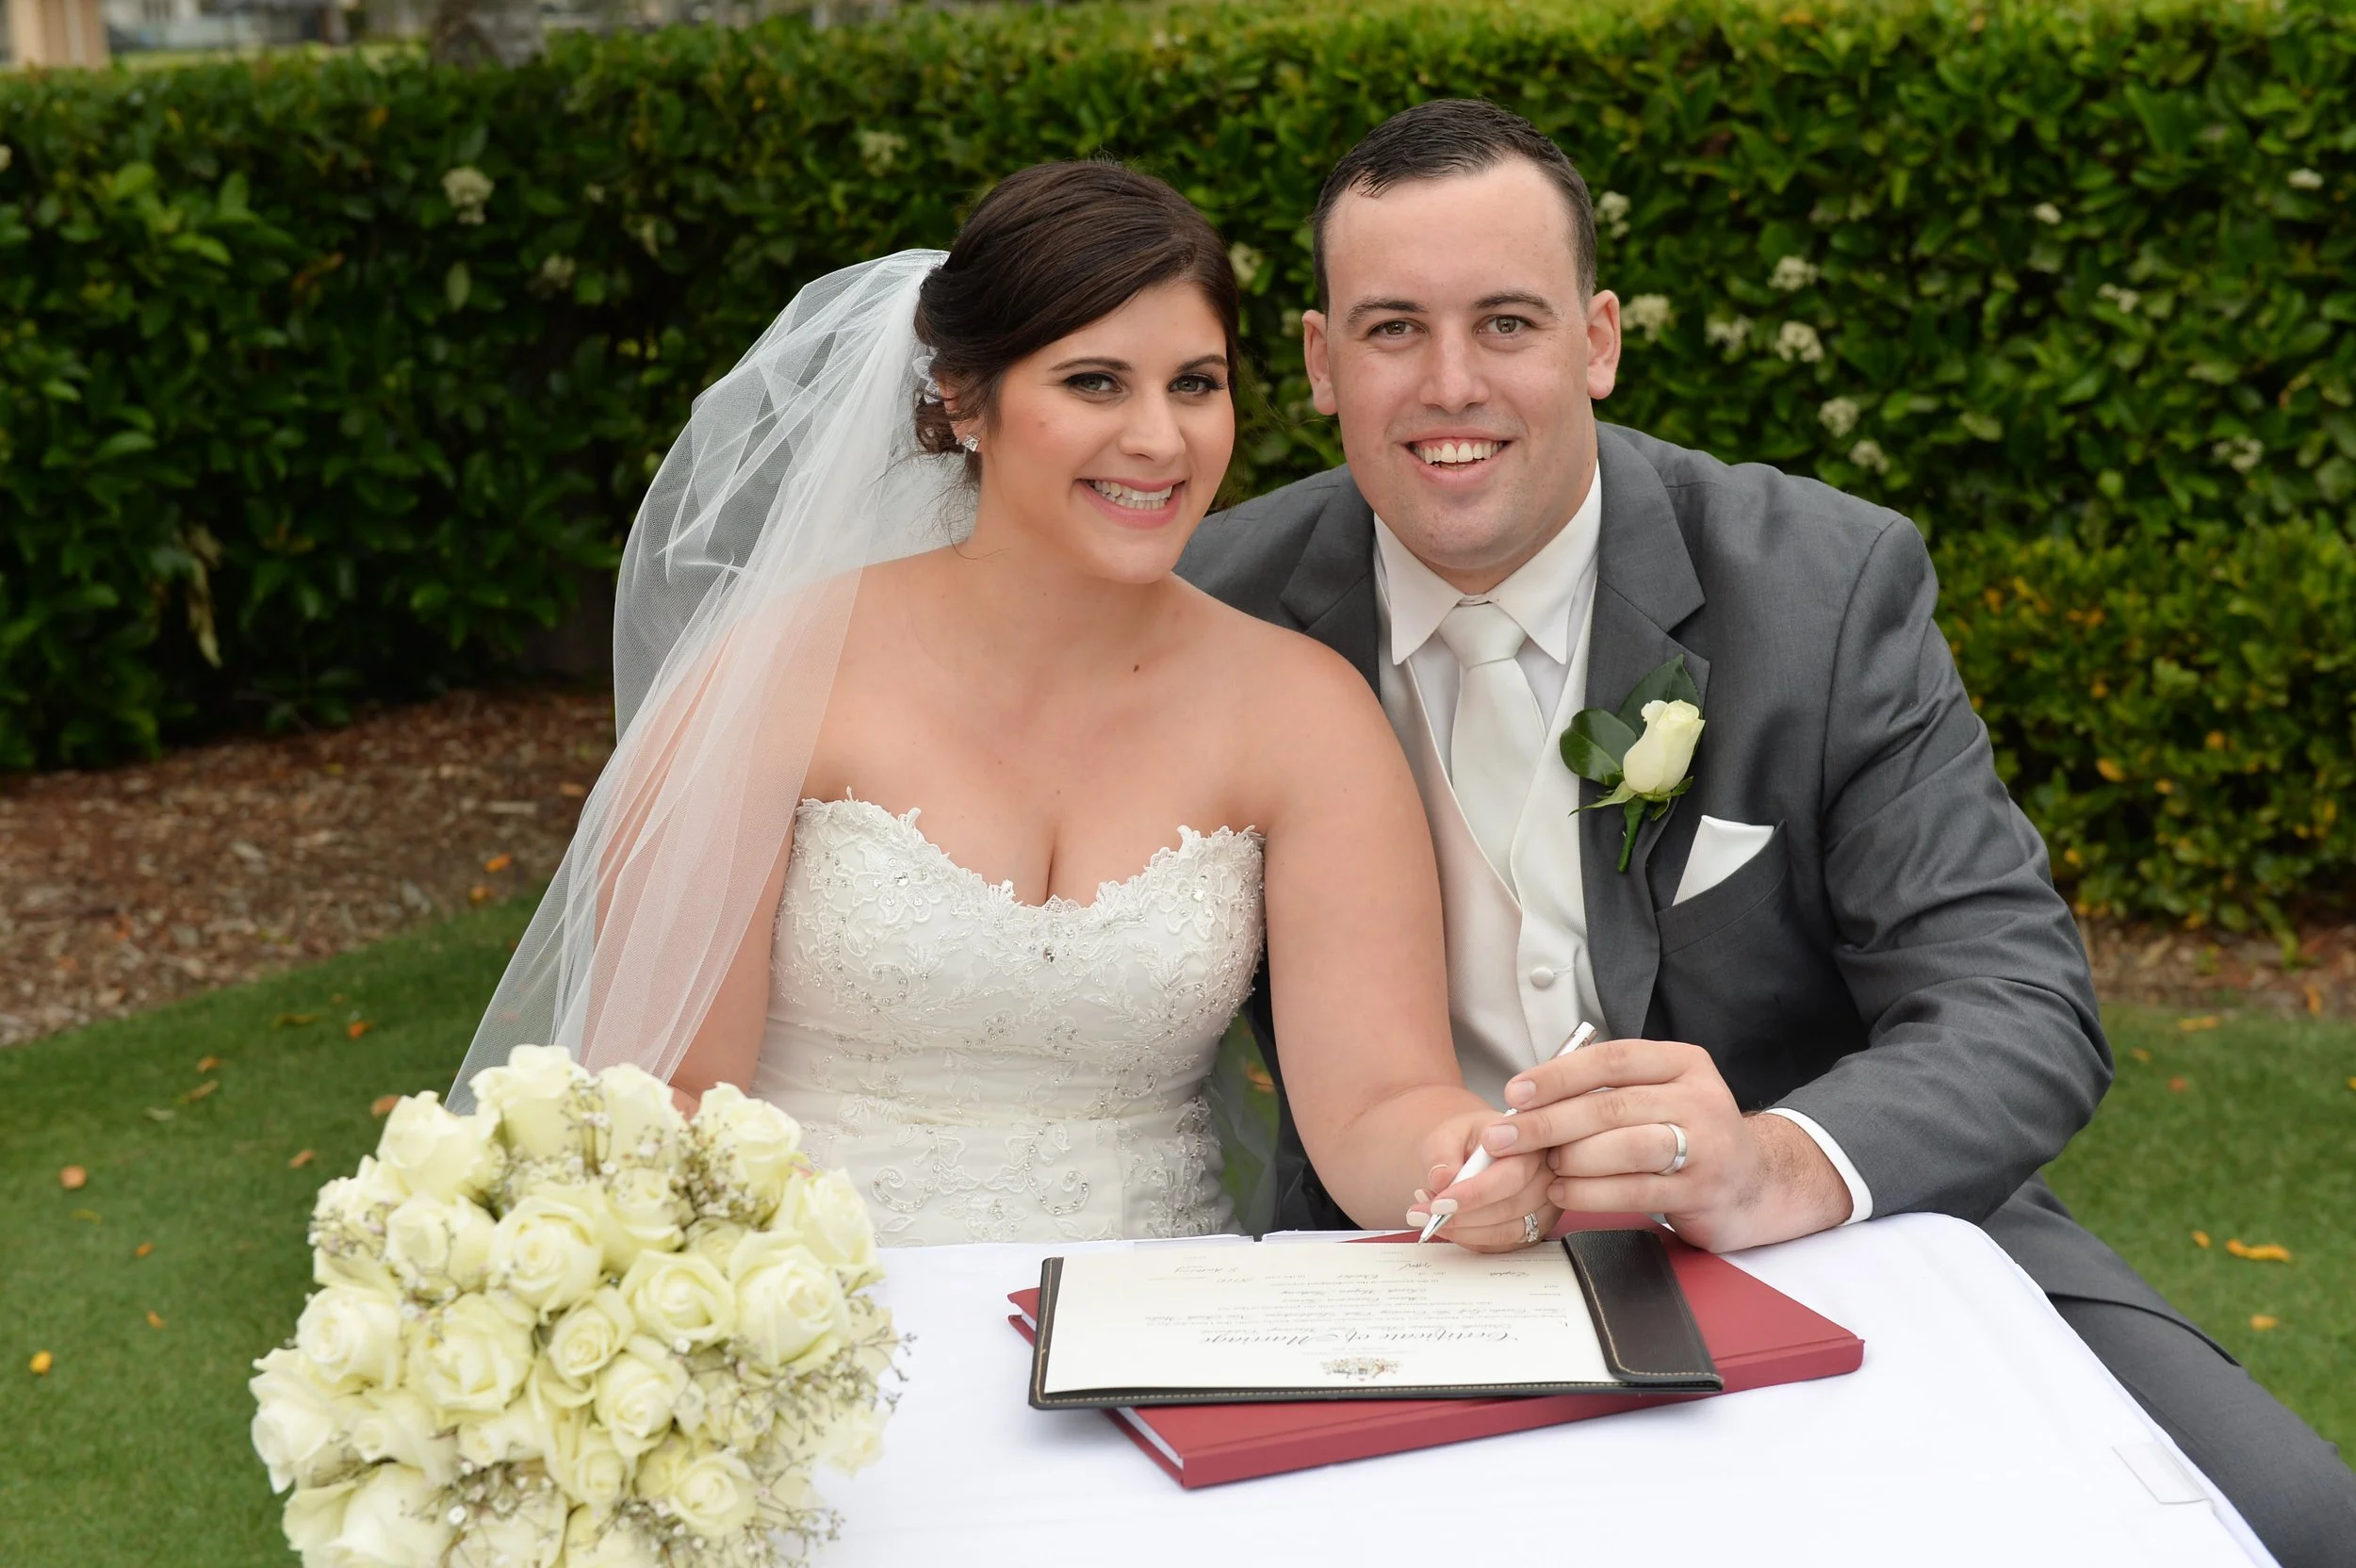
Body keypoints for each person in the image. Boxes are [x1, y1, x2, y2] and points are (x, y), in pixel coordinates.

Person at [1178, 97, 2356, 1565]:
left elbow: (2017, 1003)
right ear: (1318, 359)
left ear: (1599, 340)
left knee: (2292, 1521)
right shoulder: (1211, 606)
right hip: (1391, 1280)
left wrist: (1777, 1165)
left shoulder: (1823, 581)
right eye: (1393, 329)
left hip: (1834, 1252)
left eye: (1510, 323)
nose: (1451, 384)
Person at [450, 161, 1548, 1250]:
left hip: (1150, 1340)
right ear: (965, 400)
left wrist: (1463, 1155)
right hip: (815, 1324)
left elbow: (1373, 1104)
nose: (1160, 440)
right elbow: (664, 1099)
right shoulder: (778, 678)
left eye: (1194, 383)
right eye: (1094, 382)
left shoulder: (1303, 709)